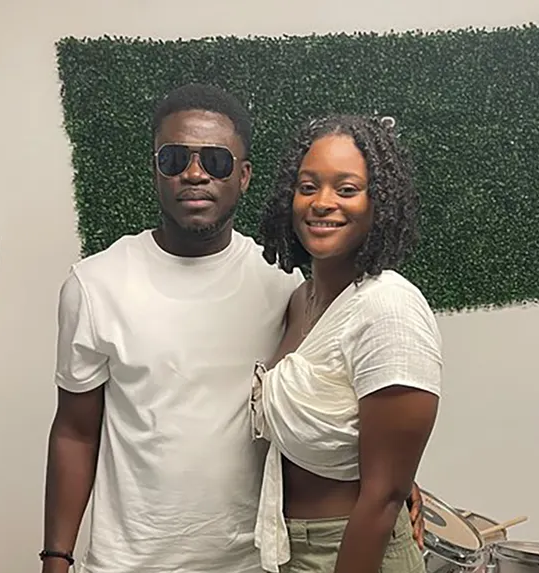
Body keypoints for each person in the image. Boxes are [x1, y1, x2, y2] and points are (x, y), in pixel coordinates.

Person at [40, 84, 426, 573]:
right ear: (155, 169)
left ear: (243, 177)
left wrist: (389, 479)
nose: (195, 174)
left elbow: (331, 401)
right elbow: (75, 432)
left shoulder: (284, 286)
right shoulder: (94, 285)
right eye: (175, 157)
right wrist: (56, 556)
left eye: (216, 162)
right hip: (129, 561)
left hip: (257, 559)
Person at [251, 114, 442, 573]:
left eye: (347, 189)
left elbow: (384, 495)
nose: (322, 203)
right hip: (290, 548)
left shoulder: (389, 309)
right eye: (308, 186)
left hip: (358, 552)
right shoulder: (301, 300)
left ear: (380, 203)